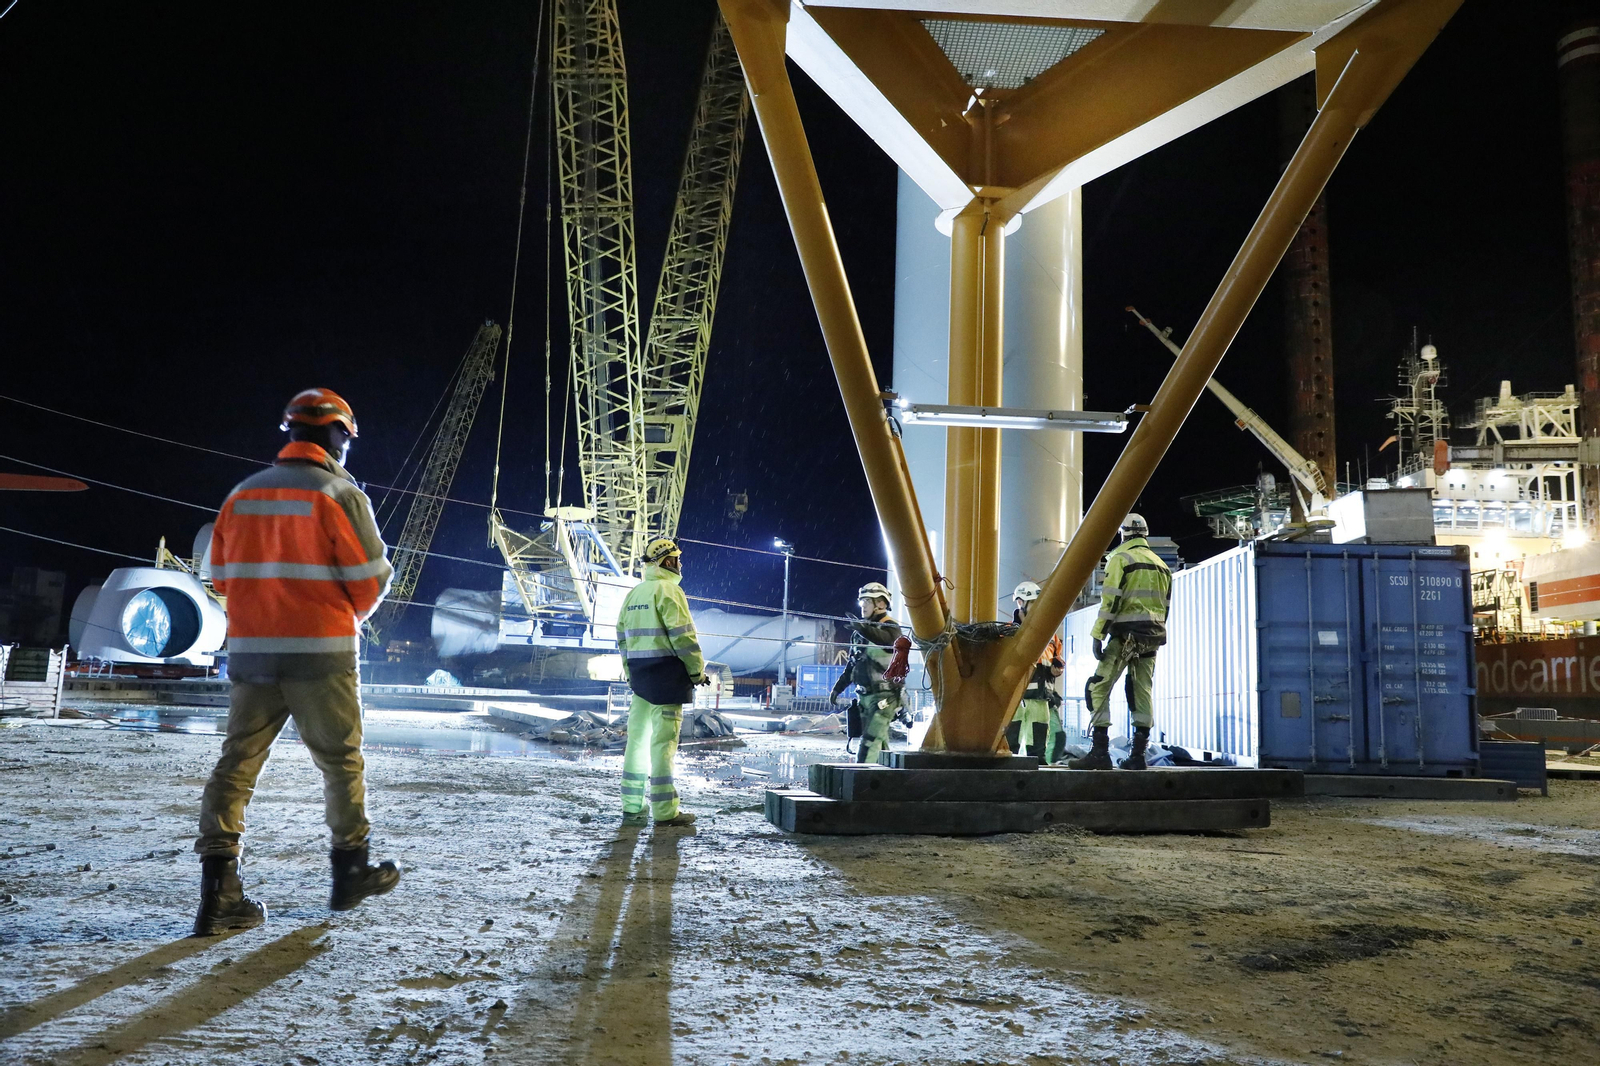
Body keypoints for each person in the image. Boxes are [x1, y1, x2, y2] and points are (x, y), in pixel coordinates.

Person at [193, 388, 400, 936]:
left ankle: (219, 896)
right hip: (321, 656)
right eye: (346, 439)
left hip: (253, 653)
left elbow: (219, 577)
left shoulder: (243, 495)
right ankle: (349, 872)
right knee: (340, 763)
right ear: (337, 435)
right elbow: (371, 579)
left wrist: (263, 612)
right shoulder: (338, 494)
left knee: (236, 765)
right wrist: (336, 614)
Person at [1071, 513, 1173, 771]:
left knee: (1097, 687)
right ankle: (1138, 756)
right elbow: (1166, 608)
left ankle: (1100, 752)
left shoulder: (1120, 559)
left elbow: (1110, 603)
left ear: (1123, 534)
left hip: (1125, 635)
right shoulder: (1162, 565)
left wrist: (1098, 635)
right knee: (1141, 692)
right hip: (1152, 637)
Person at [616, 538, 705, 828]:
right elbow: (683, 638)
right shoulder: (670, 591)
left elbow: (621, 638)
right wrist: (696, 673)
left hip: (640, 680)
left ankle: (632, 805)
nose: (681, 564)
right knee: (663, 745)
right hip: (667, 679)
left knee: (637, 742)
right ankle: (666, 812)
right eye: (677, 559)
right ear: (668, 562)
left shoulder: (635, 593)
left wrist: (631, 674)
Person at [828, 582, 905, 765]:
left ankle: (860, 781)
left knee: (869, 742)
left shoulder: (891, 628)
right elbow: (852, 665)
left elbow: (887, 641)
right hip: (864, 697)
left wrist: (863, 628)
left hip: (884, 698)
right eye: (861, 602)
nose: (862, 607)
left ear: (881, 604)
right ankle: (890, 778)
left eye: (866, 602)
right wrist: (837, 689)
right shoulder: (859, 632)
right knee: (879, 741)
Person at [1007, 581, 1065, 763]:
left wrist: (1057, 670)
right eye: (1033, 604)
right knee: (1011, 743)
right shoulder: (1008, 632)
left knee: (1039, 746)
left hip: (1041, 698)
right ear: (1020, 603)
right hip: (1016, 698)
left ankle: (1038, 766)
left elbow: (1058, 661)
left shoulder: (1051, 635)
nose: (1038, 609)